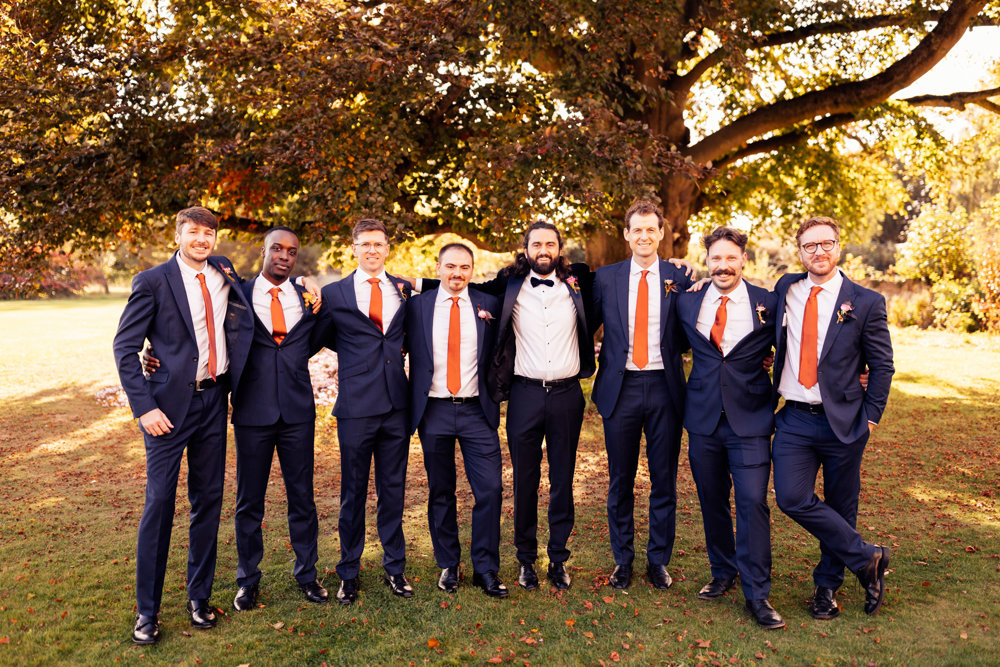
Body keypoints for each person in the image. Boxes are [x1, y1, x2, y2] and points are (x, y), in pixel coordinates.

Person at [419, 221, 595, 591]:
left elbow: (625, 275)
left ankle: (559, 559)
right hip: (524, 395)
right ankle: (525, 561)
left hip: (567, 395)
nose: (543, 249)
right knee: (524, 482)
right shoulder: (508, 283)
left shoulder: (580, 280)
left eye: (550, 243)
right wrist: (408, 284)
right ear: (526, 249)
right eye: (536, 244)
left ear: (560, 249)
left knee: (562, 480)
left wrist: (674, 267)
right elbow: (465, 287)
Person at [113, 206, 252, 644]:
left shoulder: (224, 271)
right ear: (179, 235)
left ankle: (199, 597)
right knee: (159, 506)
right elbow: (125, 347)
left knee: (208, 502)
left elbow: (254, 301)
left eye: (208, 233)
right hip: (167, 410)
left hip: (215, 401)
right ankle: (147, 612)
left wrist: (305, 287)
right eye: (193, 232)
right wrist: (144, 408)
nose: (201, 240)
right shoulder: (152, 281)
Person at [771, 216, 894, 618]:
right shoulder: (785, 290)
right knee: (791, 497)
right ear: (800, 252)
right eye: (810, 246)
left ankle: (827, 588)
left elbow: (882, 365)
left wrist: (871, 418)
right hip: (794, 419)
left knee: (842, 507)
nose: (819, 251)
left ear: (839, 246)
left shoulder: (866, 301)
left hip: (845, 420)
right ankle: (867, 557)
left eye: (827, 243)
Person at [676, 226, 784, 629]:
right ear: (708, 261)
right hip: (702, 417)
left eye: (730, 258)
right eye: (716, 258)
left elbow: (795, 344)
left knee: (753, 502)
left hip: (751, 419)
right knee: (712, 499)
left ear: (743, 259)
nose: (723, 266)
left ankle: (757, 594)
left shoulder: (768, 303)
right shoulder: (688, 303)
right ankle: (723, 571)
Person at [591, 199, 693, 591]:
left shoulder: (680, 277)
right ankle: (623, 560)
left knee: (663, 479)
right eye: (638, 229)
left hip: (666, 389)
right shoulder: (607, 278)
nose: (645, 236)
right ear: (626, 234)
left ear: (661, 233)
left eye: (652, 229)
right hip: (622, 388)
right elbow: (586, 325)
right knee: (621, 479)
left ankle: (658, 559)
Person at [312, 218, 413, 604]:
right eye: (365, 244)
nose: (373, 250)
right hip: (356, 407)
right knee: (352, 492)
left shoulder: (403, 289)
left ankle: (395, 567)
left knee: (393, 489)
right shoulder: (335, 294)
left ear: (388, 248)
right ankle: (348, 571)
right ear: (352, 247)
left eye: (379, 244)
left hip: (396, 406)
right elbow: (309, 339)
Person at [405, 244, 506, 597]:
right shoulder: (416, 307)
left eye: (464, 267)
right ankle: (448, 563)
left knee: (490, 489)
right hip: (432, 410)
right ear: (438, 268)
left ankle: (486, 568)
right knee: (441, 491)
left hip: (477, 410)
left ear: (472, 269)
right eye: (450, 267)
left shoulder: (487, 304)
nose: (457, 274)